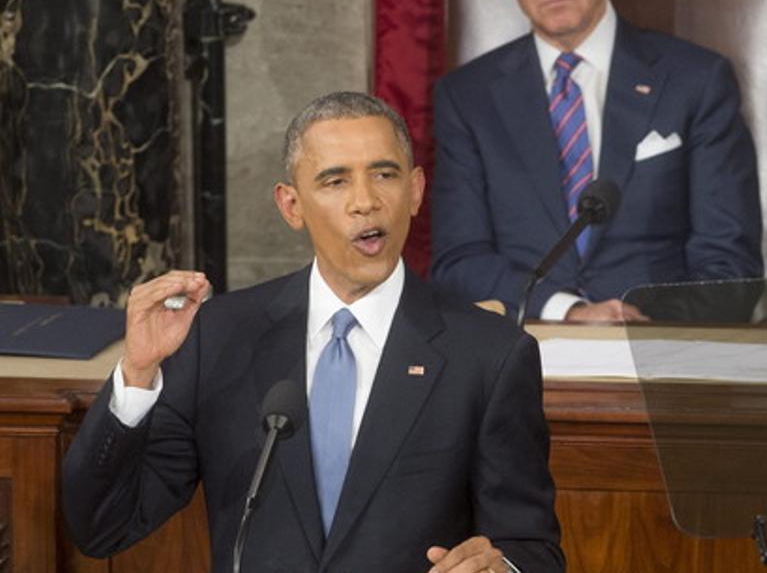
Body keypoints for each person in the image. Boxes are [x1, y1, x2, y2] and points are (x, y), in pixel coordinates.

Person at [63, 92, 564, 572]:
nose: (365, 202)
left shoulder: (489, 354)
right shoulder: (219, 336)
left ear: (414, 191)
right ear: (291, 206)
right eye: (335, 181)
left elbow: (531, 549)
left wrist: (500, 569)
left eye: (384, 175)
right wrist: (137, 374)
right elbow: (104, 529)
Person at [431, 0, 763, 322]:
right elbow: (459, 262)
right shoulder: (467, 99)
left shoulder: (696, 82)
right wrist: (567, 311)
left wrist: (642, 324)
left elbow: (729, 265)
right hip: (525, 350)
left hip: (657, 352)